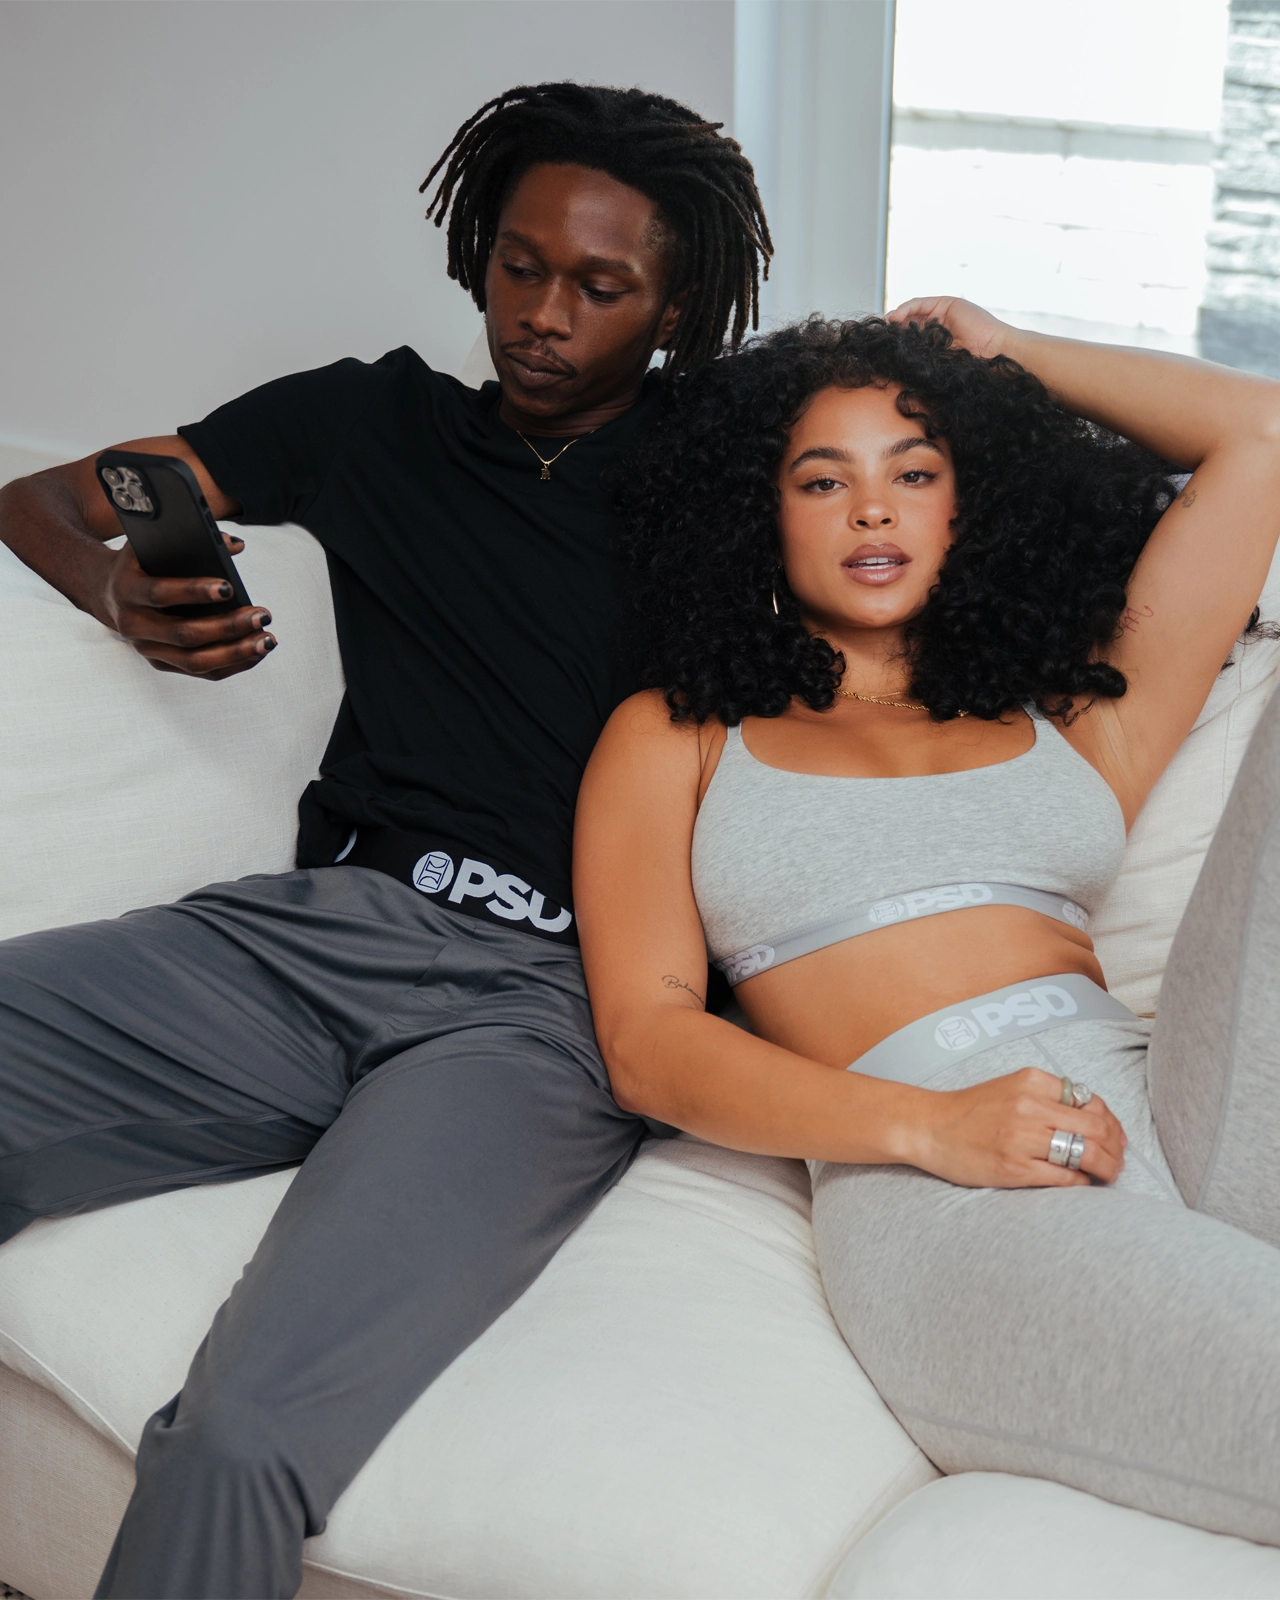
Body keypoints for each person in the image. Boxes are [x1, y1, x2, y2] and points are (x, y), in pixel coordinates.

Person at [0, 82, 770, 1600]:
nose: (543, 315)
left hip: (552, 1008)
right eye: (520, 267)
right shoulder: (368, 425)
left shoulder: (739, 468)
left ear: (675, 311)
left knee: (240, 1436)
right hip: (314, 936)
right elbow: (50, 498)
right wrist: (117, 592)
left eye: (600, 287)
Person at [575, 301, 1280, 1543]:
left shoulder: (1074, 716)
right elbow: (646, 1042)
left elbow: (1261, 434)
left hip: (1175, 1095)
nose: (871, 510)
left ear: (969, 505)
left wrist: (1006, 351)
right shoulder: (678, 734)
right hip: (933, 1180)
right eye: (822, 479)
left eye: (913, 472)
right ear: (758, 513)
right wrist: (930, 1124)